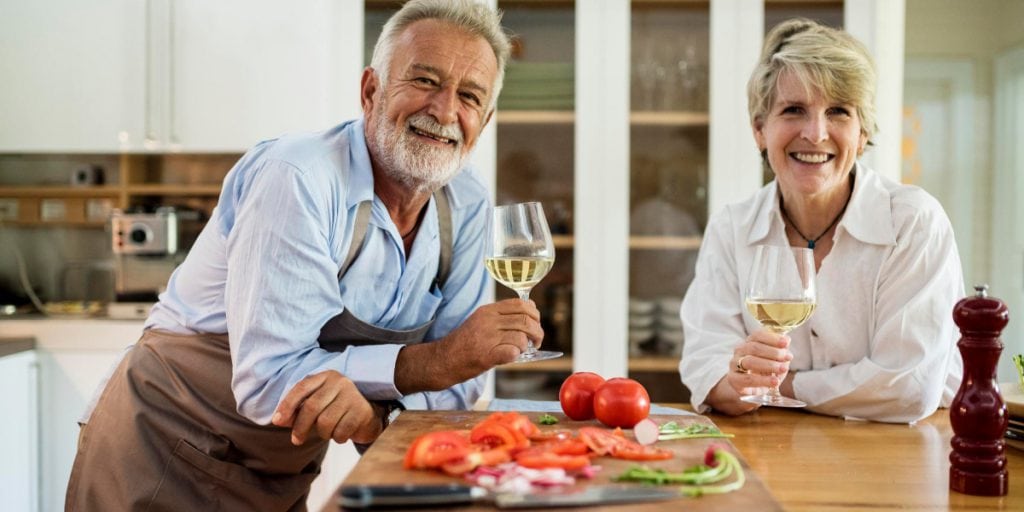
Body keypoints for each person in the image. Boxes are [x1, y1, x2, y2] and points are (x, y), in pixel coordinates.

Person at [65, 1, 542, 509]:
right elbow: (271, 378)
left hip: (281, 467)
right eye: (424, 81)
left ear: (484, 121)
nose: (445, 111)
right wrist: (436, 362)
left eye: (469, 96)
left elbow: (459, 389)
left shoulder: (464, 201)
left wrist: (381, 416)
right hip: (162, 447)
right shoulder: (298, 177)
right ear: (371, 91)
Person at [679, 18, 964, 424]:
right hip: (771, 451)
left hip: (903, 456)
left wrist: (776, 385)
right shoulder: (732, 227)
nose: (815, 134)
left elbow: (907, 386)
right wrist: (738, 382)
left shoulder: (912, 223)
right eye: (793, 110)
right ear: (760, 129)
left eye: (838, 112)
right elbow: (705, 367)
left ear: (862, 133)